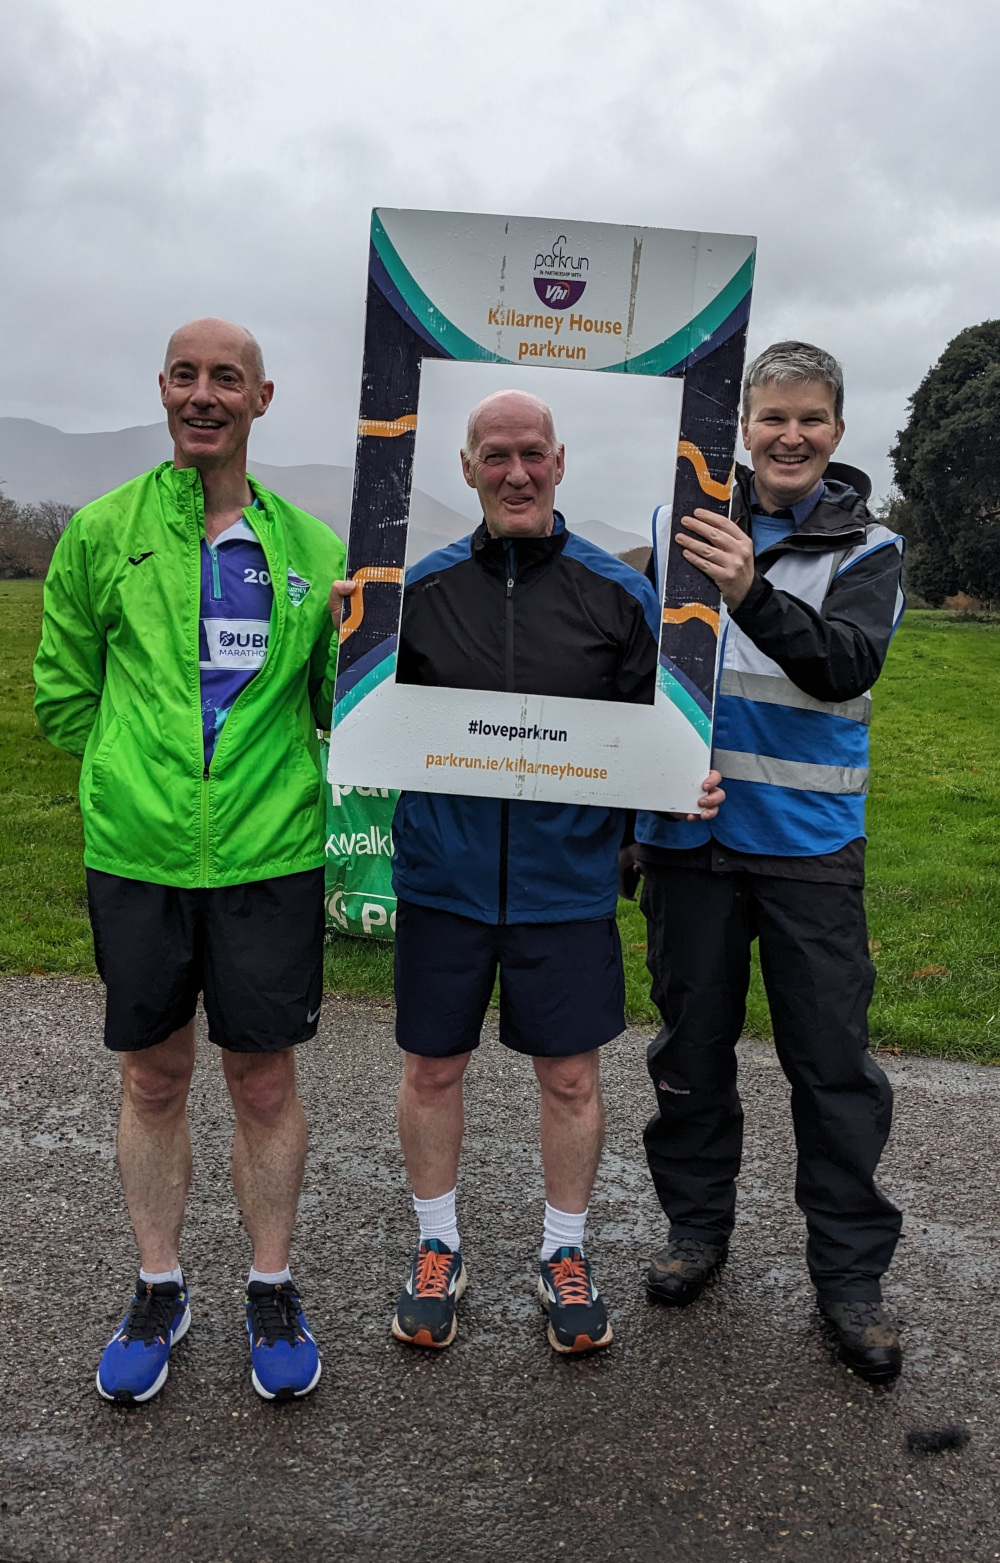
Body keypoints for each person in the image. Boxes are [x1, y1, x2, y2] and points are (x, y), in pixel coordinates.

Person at [334, 388, 722, 1355]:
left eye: (533, 453)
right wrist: (335, 643)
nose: (516, 472)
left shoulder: (618, 594)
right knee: (431, 1068)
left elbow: (659, 736)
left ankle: (564, 1251)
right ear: (465, 467)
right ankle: (438, 1248)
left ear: (560, 460)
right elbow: (346, 723)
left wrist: (680, 786)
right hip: (445, 880)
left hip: (565, 884)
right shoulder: (413, 593)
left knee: (573, 1078)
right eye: (495, 455)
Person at [34, 317, 345, 1405]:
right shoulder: (103, 531)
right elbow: (62, 693)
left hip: (269, 855)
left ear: (263, 399)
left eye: (228, 379)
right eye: (186, 375)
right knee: (152, 1074)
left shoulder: (311, 549)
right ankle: (160, 1286)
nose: (203, 394)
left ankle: (271, 1285)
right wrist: (136, 776)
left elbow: (327, 706)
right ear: (162, 389)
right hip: (141, 854)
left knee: (262, 1079)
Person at [635, 341, 905, 1383]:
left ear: (838, 432)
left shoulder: (868, 548)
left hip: (807, 850)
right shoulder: (675, 523)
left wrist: (747, 588)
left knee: (832, 1070)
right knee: (688, 1057)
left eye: (811, 419)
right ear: (741, 425)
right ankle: (695, 1232)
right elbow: (622, 654)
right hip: (689, 843)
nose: (789, 436)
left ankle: (848, 1278)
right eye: (771, 417)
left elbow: (843, 666)